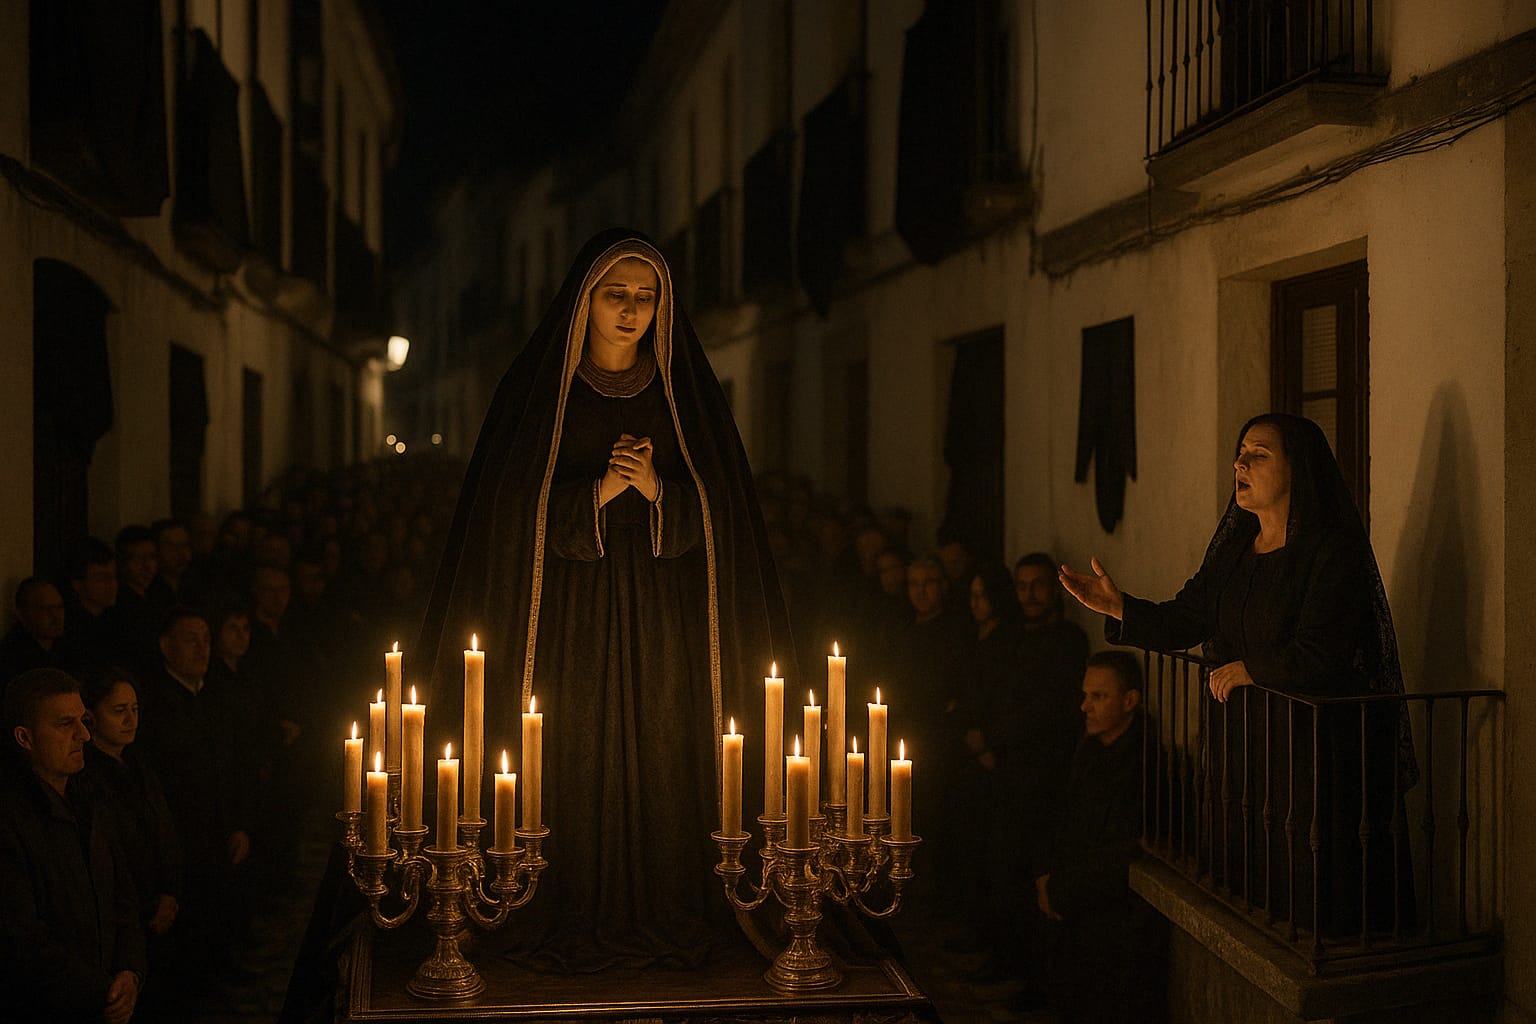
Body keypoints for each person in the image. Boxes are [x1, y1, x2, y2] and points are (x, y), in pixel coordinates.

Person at [415, 230, 793, 971]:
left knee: (661, 751)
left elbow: (728, 523)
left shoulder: (687, 399)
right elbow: (501, 519)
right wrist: (592, 496)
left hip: (663, 631)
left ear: (664, 307)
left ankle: (667, 900)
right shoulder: (536, 395)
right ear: (584, 301)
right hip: (562, 629)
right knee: (566, 755)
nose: (630, 310)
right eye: (614, 294)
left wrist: (658, 495)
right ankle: (551, 902)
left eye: (645, 297)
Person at [1060, 412, 1412, 936]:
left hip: (1306, 749)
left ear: (1298, 469)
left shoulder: (1330, 552)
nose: (1240, 463)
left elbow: (1329, 651)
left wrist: (1254, 670)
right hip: (1243, 745)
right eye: (1241, 452)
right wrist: (1119, 609)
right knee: (1246, 874)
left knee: (1305, 879)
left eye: (1260, 454)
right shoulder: (1234, 550)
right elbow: (1188, 616)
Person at [0, 668, 146, 1023]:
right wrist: (104, 990)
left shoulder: (92, 800)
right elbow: (22, 939)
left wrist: (130, 971)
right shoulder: (9, 821)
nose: (83, 734)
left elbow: (123, 894)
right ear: (25, 737)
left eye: (83, 720)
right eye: (66, 724)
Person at [1032, 651, 1161, 1023]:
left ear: (1130, 701)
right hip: (1074, 907)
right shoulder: (1090, 747)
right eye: (1085, 695)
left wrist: (1059, 890)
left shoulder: (1143, 765)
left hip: (1112, 927)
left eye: (1099, 697)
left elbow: (1122, 852)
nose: (1085, 706)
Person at [80, 666, 183, 1014]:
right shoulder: (87, 778)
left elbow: (162, 829)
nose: (130, 719)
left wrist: (169, 889)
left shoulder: (138, 763)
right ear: (91, 717)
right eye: (118, 710)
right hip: (127, 915)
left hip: (158, 902)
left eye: (134, 709)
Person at [0, 577, 71, 683]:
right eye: (45, 609)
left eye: (59, 607)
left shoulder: (67, 647)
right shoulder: (12, 659)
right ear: (22, 614)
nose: (56, 616)